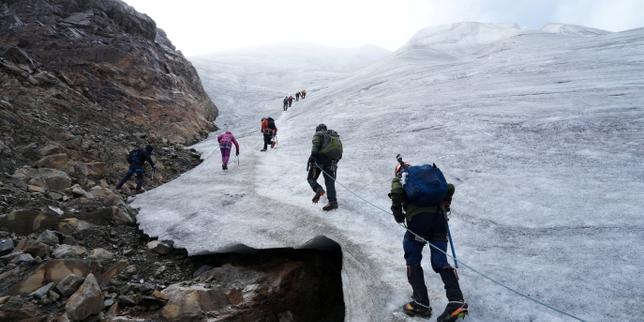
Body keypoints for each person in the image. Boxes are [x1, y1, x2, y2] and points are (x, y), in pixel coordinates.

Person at [389, 162, 468, 321]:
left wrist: (397, 212)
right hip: (439, 222)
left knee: (413, 258)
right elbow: (449, 187)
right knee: (440, 261)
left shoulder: (402, 177)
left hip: (419, 222)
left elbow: (397, 192)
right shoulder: (430, 179)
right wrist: (445, 204)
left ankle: (421, 303)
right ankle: (456, 301)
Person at [307, 124, 342, 211]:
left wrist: (312, 157)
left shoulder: (319, 134)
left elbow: (315, 145)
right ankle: (333, 202)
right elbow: (340, 152)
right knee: (330, 182)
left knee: (311, 178)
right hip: (332, 162)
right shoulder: (334, 136)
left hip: (320, 160)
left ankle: (318, 189)